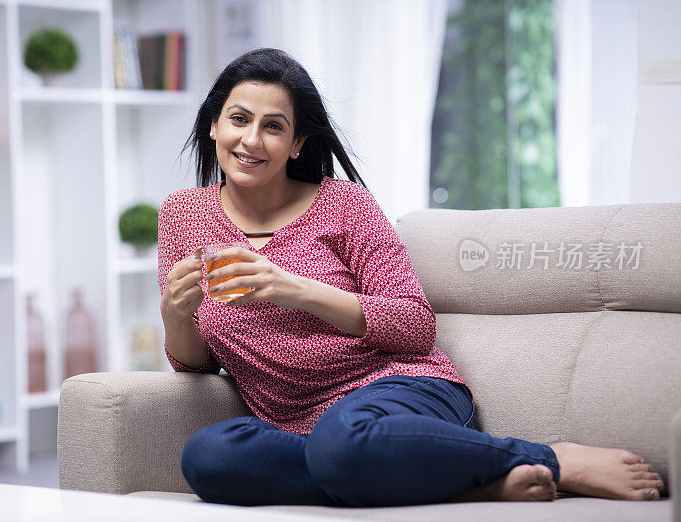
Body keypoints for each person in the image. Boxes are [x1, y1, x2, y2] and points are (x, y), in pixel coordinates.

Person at [157, 47, 664, 507]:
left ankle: (550, 457)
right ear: (213, 127)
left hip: (402, 394)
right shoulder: (182, 215)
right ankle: (472, 484)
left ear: (295, 144)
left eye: (273, 126)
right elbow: (196, 365)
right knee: (209, 455)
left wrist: (295, 288)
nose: (251, 140)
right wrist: (174, 313)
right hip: (296, 431)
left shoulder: (341, 203)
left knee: (343, 440)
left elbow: (414, 325)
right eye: (238, 120)